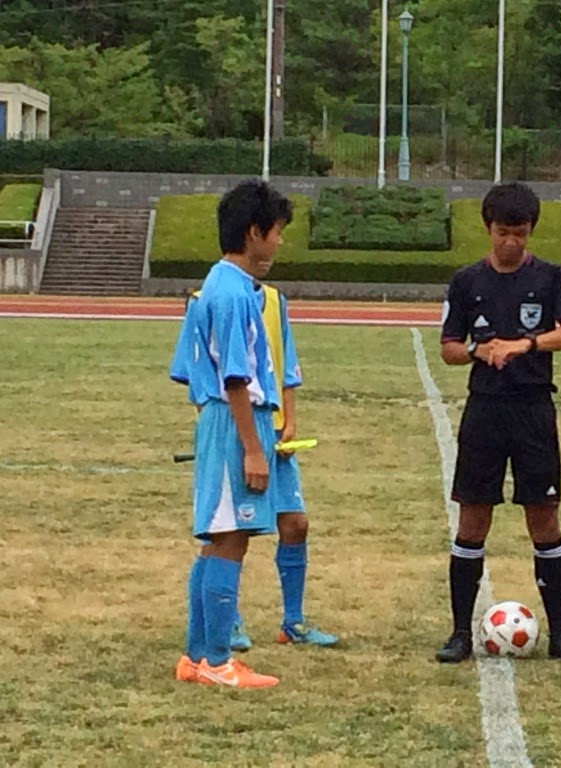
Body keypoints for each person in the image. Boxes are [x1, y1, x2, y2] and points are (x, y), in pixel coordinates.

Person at [435, 182, 561, 664]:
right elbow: (449, 348)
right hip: (484, 410)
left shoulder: (552, 278)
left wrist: (525, 344)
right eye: (504, 233)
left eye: (520, 234)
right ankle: (460, 632)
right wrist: (481, 350)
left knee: (543, 517)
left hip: (533, 409)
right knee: (473, 516)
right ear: (488, 229)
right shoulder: (466, 282)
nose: (511, 243)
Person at [169, 180, 292, 688]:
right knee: (231, 539)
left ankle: (197, 656)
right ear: (253, 232)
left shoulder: (221, 287)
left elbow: (187, 369)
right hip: (234, 420)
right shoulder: (232, 293)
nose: (279, 243)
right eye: (277, 232)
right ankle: (218, 661)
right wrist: (253, 448)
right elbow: (235, 378)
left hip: (221, 419)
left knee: (216, 538)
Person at [174, 281, 340, 652]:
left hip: (273, 432)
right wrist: (231, 438)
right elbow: (202, 377)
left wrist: (289, 422)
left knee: (295, 523)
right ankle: (223, 625)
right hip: (239, 434)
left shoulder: (273, 300)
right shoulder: (207, 299)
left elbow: (286, 368)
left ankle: (292, 622)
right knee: (227, 534)